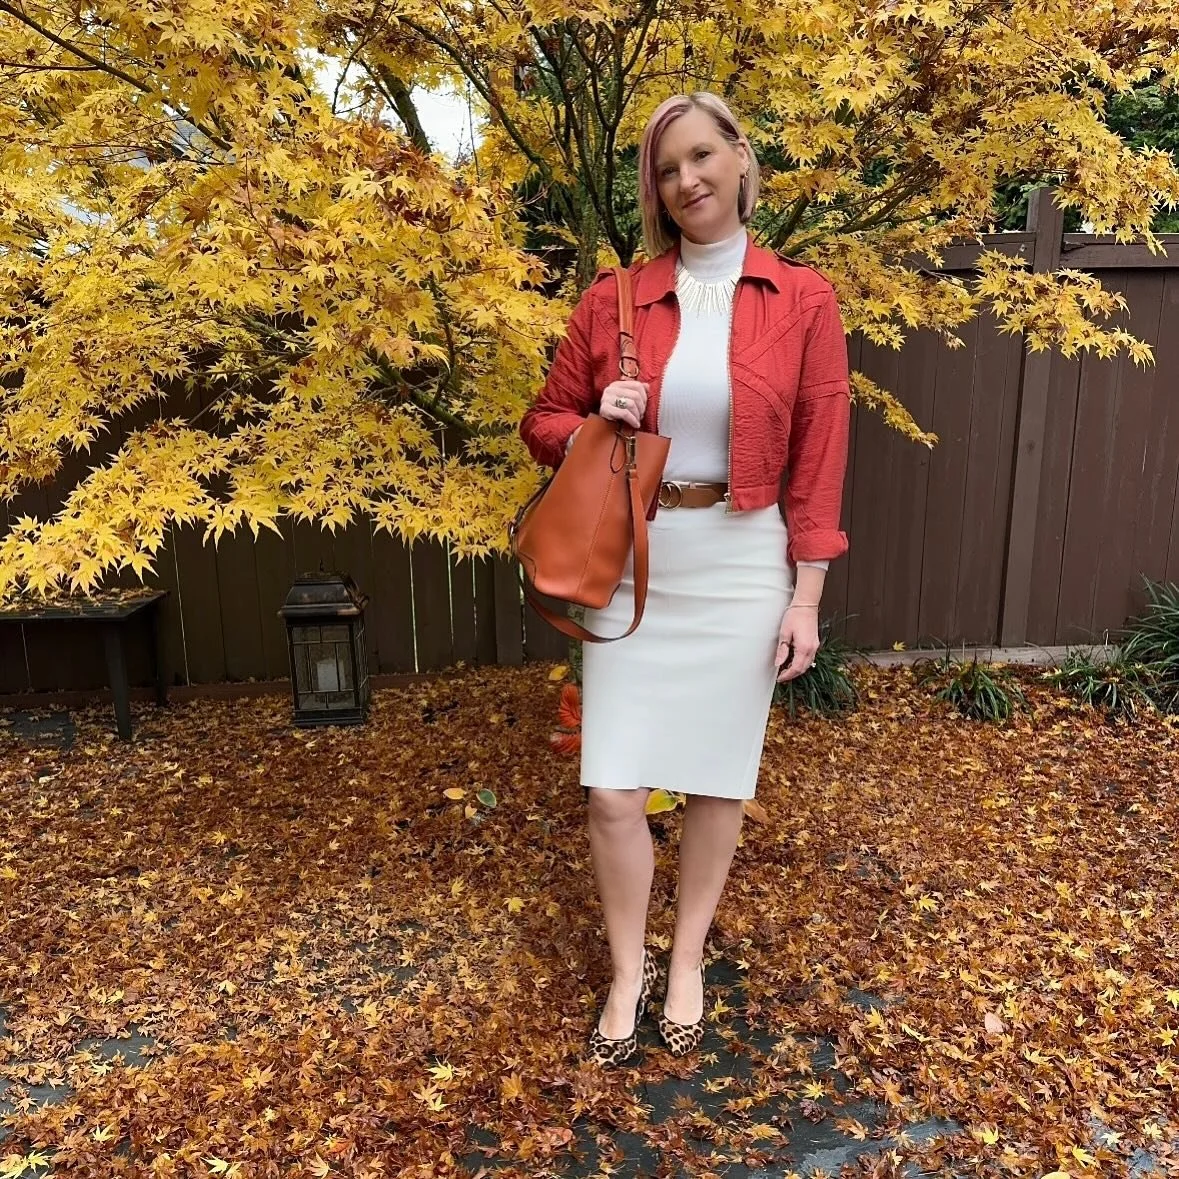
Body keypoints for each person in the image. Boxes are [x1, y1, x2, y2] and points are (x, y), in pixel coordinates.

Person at [518, 92, 851, 1067]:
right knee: (614, 792)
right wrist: (593, 418)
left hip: (746, 557)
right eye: (667, 169)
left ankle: (689, 957)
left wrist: (806, 598)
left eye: (702, 156)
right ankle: (629, 969)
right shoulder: (614, 299)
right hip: (640, 558)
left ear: (741, 159)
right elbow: (542, 423)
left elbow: (820, 460)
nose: (687, 180)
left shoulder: (804, 299)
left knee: (714, 782)